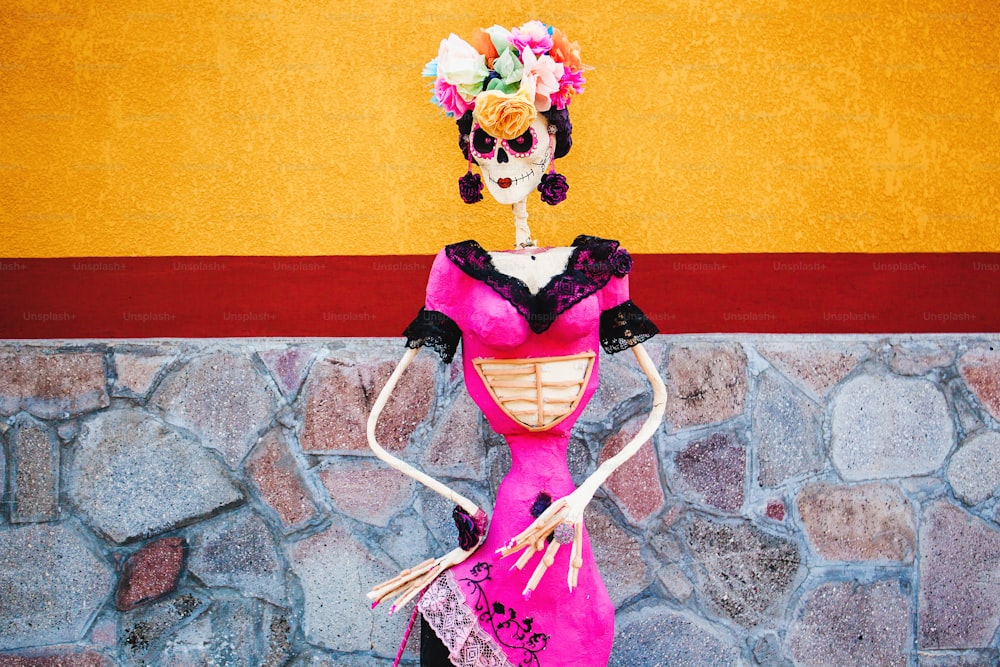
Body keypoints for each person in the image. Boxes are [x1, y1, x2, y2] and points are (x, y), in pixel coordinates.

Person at [366, 22, 666, 666]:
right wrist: (459, 509)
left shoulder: (599, 265)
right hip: (510, 508)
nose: (502, 163)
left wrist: (588, 491)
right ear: (471, 151)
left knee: (587, 623)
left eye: (519, 142)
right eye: (486, 145)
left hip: (565, 500)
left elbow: (659, 400)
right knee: (516, 619)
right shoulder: (457, 270)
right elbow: (375, 430)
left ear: (551, 144)